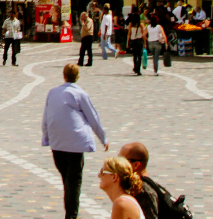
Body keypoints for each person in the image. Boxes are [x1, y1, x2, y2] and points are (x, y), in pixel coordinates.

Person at [42, 64, 109, 219]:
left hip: (57, 142)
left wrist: (46, 137)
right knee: (73, 180)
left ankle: (70, 211)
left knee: (67, 179)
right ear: (77, 77)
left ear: (63, 75)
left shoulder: (52, 92)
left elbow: (46, 117)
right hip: (75, 143)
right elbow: (93, 118)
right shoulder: (80, 94)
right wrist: (103, 138)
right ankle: (71, 215)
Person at [118, 143, 158, 219]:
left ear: (135, 165)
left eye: (121, 160)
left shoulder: (143, 191)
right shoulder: (143, 186)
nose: (117, 164)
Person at [127, 9, 146, 76]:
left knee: (134, 55)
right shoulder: (141, 25)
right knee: (139, 56)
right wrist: (145, 43)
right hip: (139, 41)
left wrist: (127, 43)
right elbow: (143, 34)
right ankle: (138, 69)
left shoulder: (131, 24)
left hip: (133, 40)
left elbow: (129, 34)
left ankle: (135, 67)